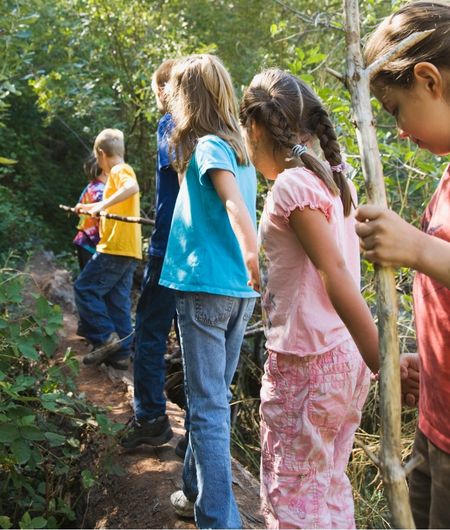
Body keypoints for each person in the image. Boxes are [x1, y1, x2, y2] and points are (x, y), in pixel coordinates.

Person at [239, 68, 380, 529]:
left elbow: (335, 273)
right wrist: (371, 359)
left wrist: (381, 357)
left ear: (256, 127)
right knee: (327, 484)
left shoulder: (293, 187)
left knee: (292, 496)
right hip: (342, 360)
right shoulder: (336, 182)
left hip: (306, 367)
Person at [356, 3, 450, 527]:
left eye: (394, 110)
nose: (397, 130)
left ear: (429, 79)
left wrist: (414, 248)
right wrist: (427, 359)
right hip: (435, 424)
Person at [159, 54, 259, 529]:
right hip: (238, 293)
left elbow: (235, 206)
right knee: (214, 397)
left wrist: (254, 253)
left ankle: (219, 519)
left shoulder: (209, 150)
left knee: (207, 405)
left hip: (206, 289)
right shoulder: (242, 150)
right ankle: (196, 488)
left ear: (188, 99)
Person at [121, 59, 189, 455]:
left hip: (169, 249)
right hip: (197, 255)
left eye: (156, 91)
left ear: (165, 90)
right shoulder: (215, 131)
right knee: (192, 340)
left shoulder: (171, 125)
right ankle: (195, 436)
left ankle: (150, 418)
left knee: (149, 332)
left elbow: (180, 183)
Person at [74, 128, 142, 370]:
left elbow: (132, 187)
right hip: (129, 249)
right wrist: (90, 207)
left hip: (115, 247)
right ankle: (121, 354)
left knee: (84, 288)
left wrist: (102, 202)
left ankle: (105, 338)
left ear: (101, 154)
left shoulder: (120, 170)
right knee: (117, 302)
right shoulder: (118, 172)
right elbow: (117, 207)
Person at [73, 154, 107, 270]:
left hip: (82, 240)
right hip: (91, 244)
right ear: (105, 171)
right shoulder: (101, 191)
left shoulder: (90, 187)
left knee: (85, 279)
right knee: (92, 284)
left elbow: (79, 209)